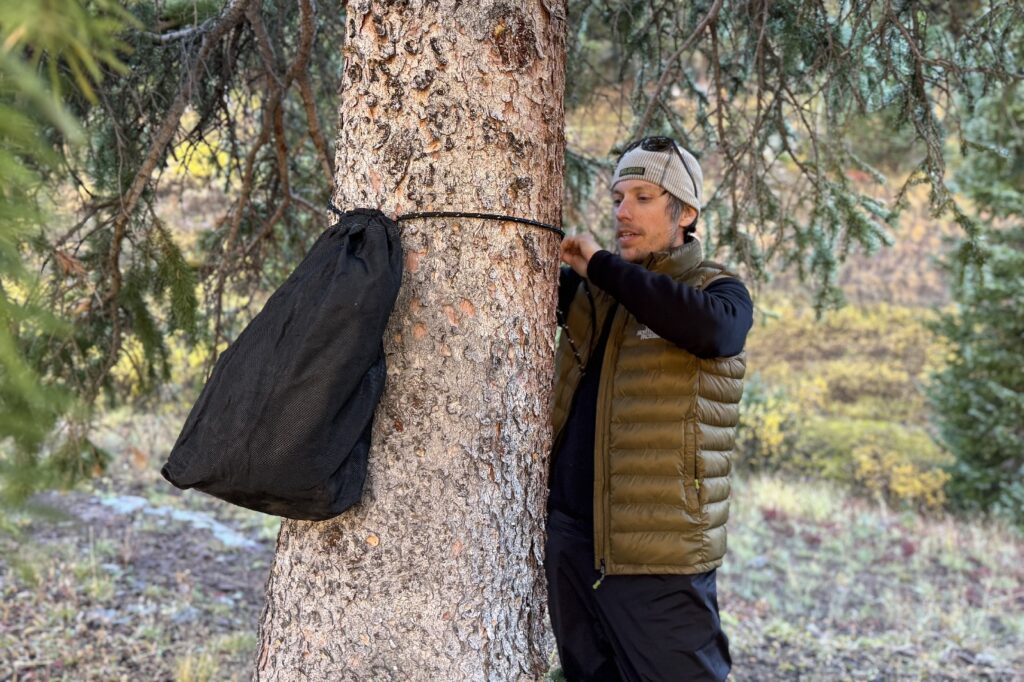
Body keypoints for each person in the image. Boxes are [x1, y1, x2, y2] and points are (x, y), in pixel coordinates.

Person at [545, 136, 754, 681]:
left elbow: (710, 331)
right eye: (618, 198)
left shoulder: (718, 293)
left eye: (642, 197)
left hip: (660, 554)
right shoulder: (597, 294)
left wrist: (601, 267)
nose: (622, 212)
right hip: (572, 543)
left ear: (685, 213)